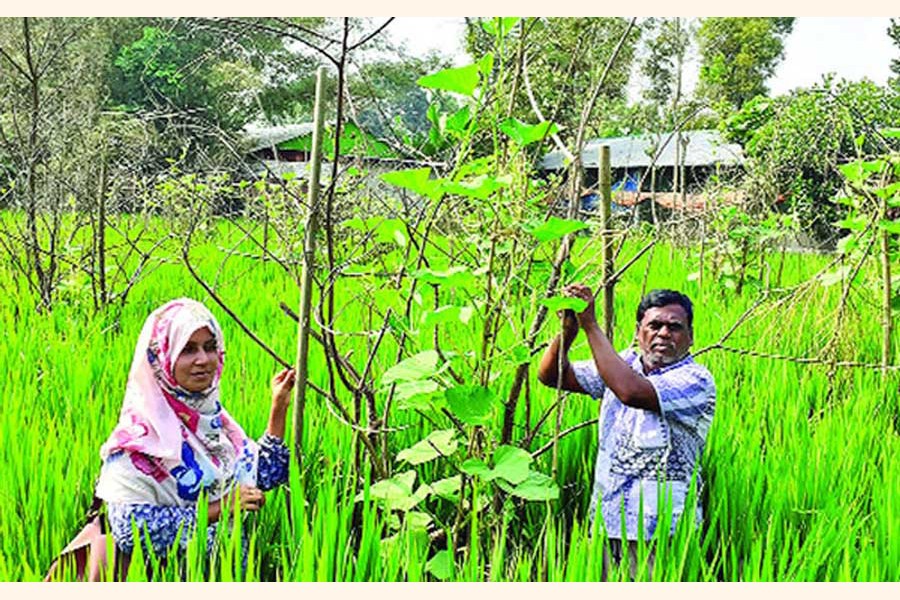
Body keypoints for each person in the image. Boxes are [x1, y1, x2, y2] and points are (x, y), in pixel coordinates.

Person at [71, 298, 295, 579]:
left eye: (210, 347)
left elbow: (264, 475)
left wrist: (279, 407)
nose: (203, 359)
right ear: (160, 357)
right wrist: (219, 509)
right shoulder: (137, 441)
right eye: (188, 349)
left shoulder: (212, 422)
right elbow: (131, 531)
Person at [537, 285, 715, 579]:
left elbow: (630, 392)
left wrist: (590, 325)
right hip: (608, 523)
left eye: (675, 327)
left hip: (661, 533)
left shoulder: (696, 380)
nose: (663, 333)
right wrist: (569, 331)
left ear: (691, 337)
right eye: (654, 325)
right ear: (638, 331)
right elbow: (551, 375)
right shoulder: (625, 364)